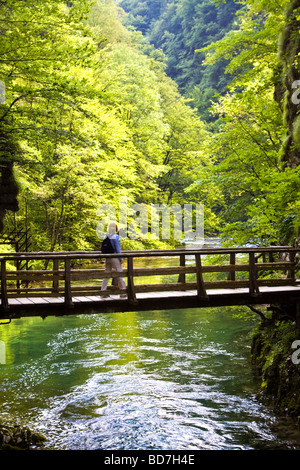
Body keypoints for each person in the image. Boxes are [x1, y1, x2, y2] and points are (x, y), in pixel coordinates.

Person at [101, 222, 127, 298]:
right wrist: (121, 258)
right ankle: (123, 293)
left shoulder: (105, 236)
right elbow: (118, 249)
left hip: (107, 257)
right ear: (116, 228)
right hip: (114, 257)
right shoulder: (115, 236)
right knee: (119, 273)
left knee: (106, 275)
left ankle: (103, 292)